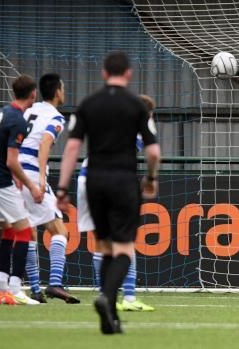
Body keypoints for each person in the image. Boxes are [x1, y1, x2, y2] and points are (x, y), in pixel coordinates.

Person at [56, 51, 161, 334]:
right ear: (128, 74)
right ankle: (109, 297)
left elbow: (72, 149)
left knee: (103, 245)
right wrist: (151, 178)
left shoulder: (88, 104)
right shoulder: (137, 107)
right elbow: (153, 150)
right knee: (125, 247)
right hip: (124, 180)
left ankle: (110, 315)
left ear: (104, 73)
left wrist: (62, 187)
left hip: (93, 181)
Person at [77, 94, 156, 312]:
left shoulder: (110, 121)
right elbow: (152, 153)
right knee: (125, 240)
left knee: (101, 241)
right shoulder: (140, 125)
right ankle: (129, 297)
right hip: (113, 181)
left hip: (86, 178)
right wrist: (151, 178)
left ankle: (105, 294)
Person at [18, 73, 80, 304]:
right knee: (60, 230)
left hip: (13, 173)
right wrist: (42, 178)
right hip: (32, 174)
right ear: (57, 91)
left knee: (28, 231)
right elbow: (44, 142)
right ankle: (54, 283)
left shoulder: (28, 110)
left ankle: (35, 289)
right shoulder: (55, 117)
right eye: (63, 88)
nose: (64, 92)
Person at [0, 75, 43, 305]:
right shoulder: (19, 121)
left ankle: (1, 288)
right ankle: (15, 288)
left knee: (9, 228)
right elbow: (12, 160)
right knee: (25, 230)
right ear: (33, 94)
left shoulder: (5, 111)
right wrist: (32, 186)